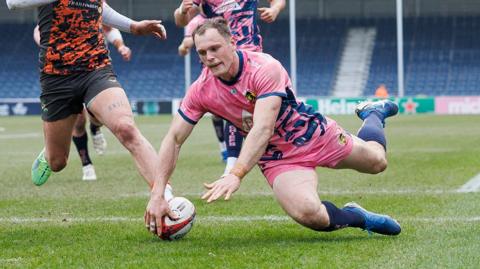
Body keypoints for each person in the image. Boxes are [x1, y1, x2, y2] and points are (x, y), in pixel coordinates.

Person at [145, 19, 401, 237]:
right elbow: (174, 138)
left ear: (232, 43)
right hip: (277, 157)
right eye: (202, 53)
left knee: (377, 162)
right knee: (309, 215)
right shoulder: (201, 90)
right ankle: (358, 217)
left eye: (215, 48)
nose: (209, 57)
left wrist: (236, 173)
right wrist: (158, 193)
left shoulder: (264, 67)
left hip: (313, 135)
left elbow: (263, 128)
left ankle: (374, 113)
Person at [7, 0, 175, 213]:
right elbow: (13, 3)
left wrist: (134, 26)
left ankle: (165, 197)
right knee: (57, 162)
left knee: (126, 128)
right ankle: (50, 149)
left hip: (96, 69)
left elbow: (100, 8)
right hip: (57, 77)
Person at [175, 0, 286, 174]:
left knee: (251, 109)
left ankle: (235, 161)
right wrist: (182, 10)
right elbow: (181, 20)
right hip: (220, 60)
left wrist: (275, 9)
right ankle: (230, 158)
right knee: (226, 111)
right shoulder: (202, 12)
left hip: (250, 56)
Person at [33, 23, 132, 180]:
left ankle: (95, 128)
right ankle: (87, 165)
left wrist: (121, 46)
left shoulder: (94, 4)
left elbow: (110, 27)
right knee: (78, 122)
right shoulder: (57, 6)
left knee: (97, 116)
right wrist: (48, 44)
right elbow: (39, 29)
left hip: (96, 69)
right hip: (67, 73)